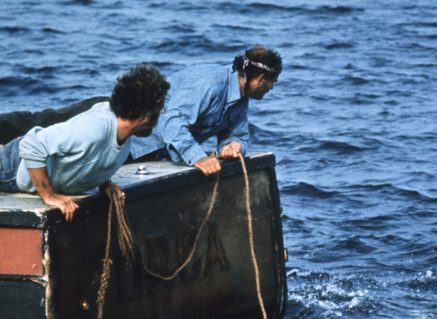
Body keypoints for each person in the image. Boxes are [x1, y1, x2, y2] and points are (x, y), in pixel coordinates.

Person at [0, 64, 170, 222]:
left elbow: (97, 154)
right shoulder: (94, 128)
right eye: (159, 110)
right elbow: (32, 144)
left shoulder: (124, 133)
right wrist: (49, 195)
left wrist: (104, 183)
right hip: (11, 167)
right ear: (144, 116)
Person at [128, 46, 282, 175]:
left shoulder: (241, 98)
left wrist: (232, 145)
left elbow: (237, 135)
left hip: (162, 158)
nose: (271, 88)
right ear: (261, 79)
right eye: (272, 82)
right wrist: (198, 158)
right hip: (133, 146)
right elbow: (172, 120)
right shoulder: (211, 84)